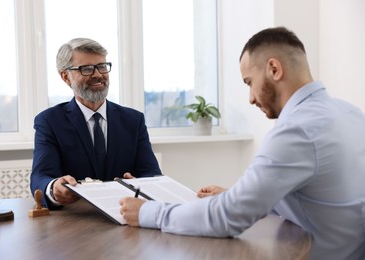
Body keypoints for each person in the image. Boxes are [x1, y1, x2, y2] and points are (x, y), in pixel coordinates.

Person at [119, 27, 365, 259]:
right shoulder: (351, 115)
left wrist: (148, 212)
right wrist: (239, 195)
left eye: (249, 82)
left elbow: (227, 216)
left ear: (274, 69)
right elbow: (320, 198)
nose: (250, 98)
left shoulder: (296, 131)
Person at [30, 38, 161, 209]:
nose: (98, 74)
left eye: (102, 66)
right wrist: (54, 187)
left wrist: (142, 186)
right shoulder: (49, 121)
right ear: (65, 76)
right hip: (75, 219)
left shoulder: (133, 120)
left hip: (126, 213)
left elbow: (151, 174)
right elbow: (41, 176)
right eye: (87, 69)